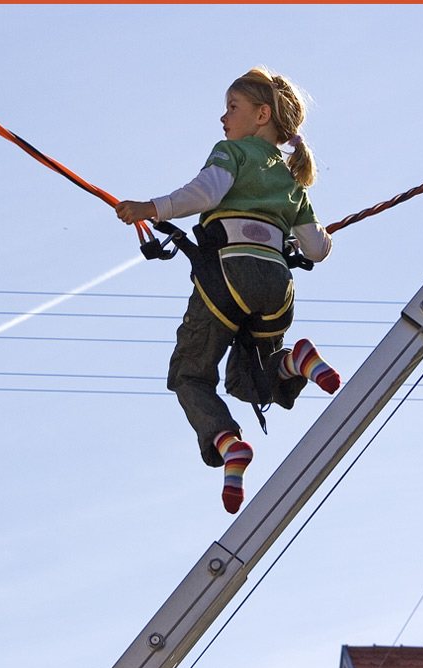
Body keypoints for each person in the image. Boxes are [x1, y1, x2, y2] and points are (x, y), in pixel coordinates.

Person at [115, 67, 340, 514]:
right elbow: (316, 248)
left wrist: (150, 207)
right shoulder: (293, 180)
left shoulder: (232, 153)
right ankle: (293, 363)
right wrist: (311, 235)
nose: (223, 118)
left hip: (229, 278)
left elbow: (204, 193)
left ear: (261, 115)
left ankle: (223, 439)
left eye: (231, 108)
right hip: (277, 290)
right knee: (248, 380)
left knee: (189, 374)